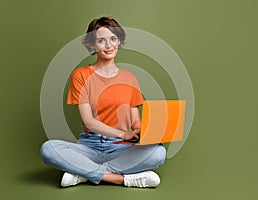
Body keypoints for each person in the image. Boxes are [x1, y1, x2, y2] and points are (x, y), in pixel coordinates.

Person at [40, 17, 166, 188]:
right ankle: (122, 179)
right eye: (101, 40)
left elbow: (135, 121)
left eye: (113, 39)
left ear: (119, 41)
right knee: (48, 149)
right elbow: (88, 121)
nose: (108, 45)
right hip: (89, 146)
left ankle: (83, 173)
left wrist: (146, 133)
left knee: (158, 153)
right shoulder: (80, 75)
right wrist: (122, 134)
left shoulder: (130, 78)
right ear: (92, 45)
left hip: (121, 148)